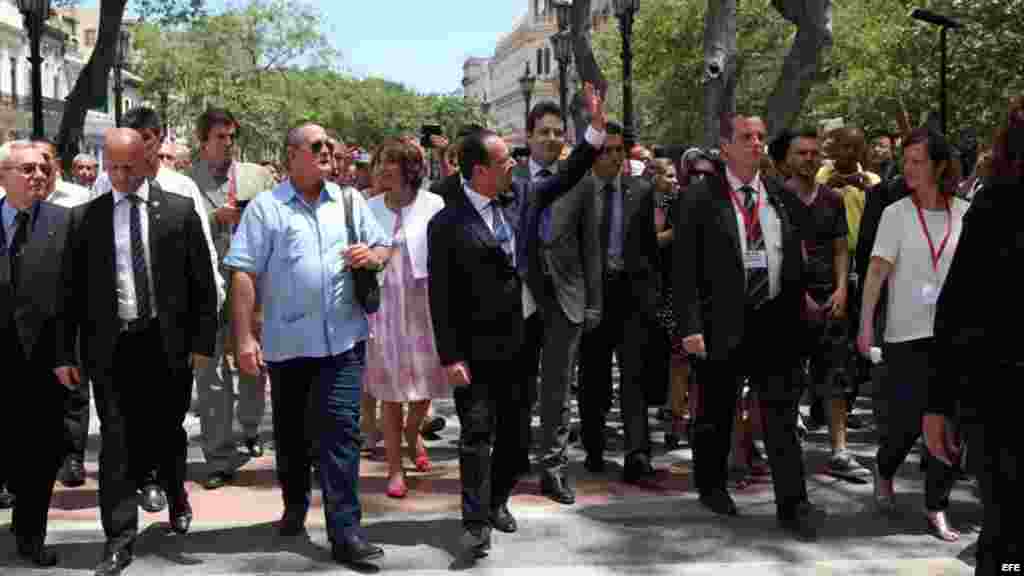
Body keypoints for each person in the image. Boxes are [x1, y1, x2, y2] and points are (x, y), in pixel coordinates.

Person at [427, 82, 606, 558]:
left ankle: (498, 499)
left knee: (513, 438)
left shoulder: (523, 196)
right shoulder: (446, 221)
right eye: (506, 160)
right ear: (480, 170)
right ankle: (475, 522)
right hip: (475, 349)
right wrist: (450, 356)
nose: (516, 164)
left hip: (523, 340)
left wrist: (594, 132)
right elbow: (440, 298)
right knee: (476, 436)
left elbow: (566, 175)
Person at [226, 123, 391, 566]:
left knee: (341, 435)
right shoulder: (266, 208)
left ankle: (345, 532)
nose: (327, 153)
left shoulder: (350, 200)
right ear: (292, 154)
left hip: (342, 342)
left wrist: (372, 257)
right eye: (316, 146)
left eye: (330, 147)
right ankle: (295, 504)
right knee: (294, 438)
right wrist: (243, 337)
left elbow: (384, 247)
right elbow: (242, 272)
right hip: (288, 345)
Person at [58, 129, 218, 576]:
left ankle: (176, 496)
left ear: (148, 160)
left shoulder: (179, 212)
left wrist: (204, 344)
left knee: (167, 432)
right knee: (116, 443)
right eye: (113, 168)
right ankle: (118, 539)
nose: (121, 176)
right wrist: (67, 353)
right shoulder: (86, 218)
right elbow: (70, 293)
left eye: (129, 166)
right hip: (112, 348)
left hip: (167, 344)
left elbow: (201, 283)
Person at [675, 114, 823, 540]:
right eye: (746, 138)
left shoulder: (779, 194)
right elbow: (683, 269)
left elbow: (794, 253)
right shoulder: (700, 197)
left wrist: (802, 301)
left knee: (779, 415)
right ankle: (711, 484)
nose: (756, 144)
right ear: (725, 147)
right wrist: (689, 326)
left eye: (760, 137)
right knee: (716, 411)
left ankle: (793, 504)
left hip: (774, 321)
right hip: (721, 321)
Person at [857, 127, 967, 543]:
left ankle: (936, 505)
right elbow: (876, 273)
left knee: (947, 426)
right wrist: (867, 324)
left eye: (918, 161)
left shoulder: (966, 212)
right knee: (905, 424)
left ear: (939, 166)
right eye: (906, 161)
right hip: (906, 335)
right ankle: (884, 468)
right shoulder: (895, 213)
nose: (909, 169)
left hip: (954, 338)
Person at [930, 95, 1024, 575]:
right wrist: (939, 404)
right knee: (1006, 538)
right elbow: (957, 307)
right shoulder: (996, 203)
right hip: (999, 397)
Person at [188, 108, 276, 490]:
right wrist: (213, 219)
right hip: (205, 287)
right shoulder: (186, 181)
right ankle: (219, 455)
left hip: (252, 285)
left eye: (231, 137)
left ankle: (252, 427)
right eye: (219, 137)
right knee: (210, 375)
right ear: (202, 140)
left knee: (253, 361)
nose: (227, 144)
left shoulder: (257, 176)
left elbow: (276, 220)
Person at [2, 141, 77, 567]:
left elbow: (75, 296)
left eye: (42, 168)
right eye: (26, 169)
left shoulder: (64, 223)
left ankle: (31, 536)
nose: (36, 175)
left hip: (44, 359)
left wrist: (69, 354)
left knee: (40, 454)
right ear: (3, 176)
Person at [362, 139, 448, 498]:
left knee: (426, 381)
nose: (383, 168)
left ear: (410, 169)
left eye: (391, 162)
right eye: (380, 161)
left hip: (425, 304)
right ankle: (395, 468)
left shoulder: (434, 204)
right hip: (384, 307)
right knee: (392, 392)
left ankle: (415, 432)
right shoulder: (368, 207)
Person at [782, 128, 868, 479]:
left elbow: (839, 247)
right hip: (787, 300)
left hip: (830, 298)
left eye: (814, 153)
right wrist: (798, 295)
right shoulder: (778, 198)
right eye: (801, 153)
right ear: (788, 159)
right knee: (787, 377)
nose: (808, 159)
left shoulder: (833, 198)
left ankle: (840, 450)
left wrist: (841, 290)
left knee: (836, 377)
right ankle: (786, 448)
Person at [577, 121, 659, 482]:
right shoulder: (578, 192)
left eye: (618, 151)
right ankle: (594, 445)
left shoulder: (640, 191)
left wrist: (652, 296)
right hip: (592, 299)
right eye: (605, 151)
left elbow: (650, 249)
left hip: (632, 297)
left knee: (634, 377)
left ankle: (637, 452)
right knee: (593, 377)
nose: (613, 157)